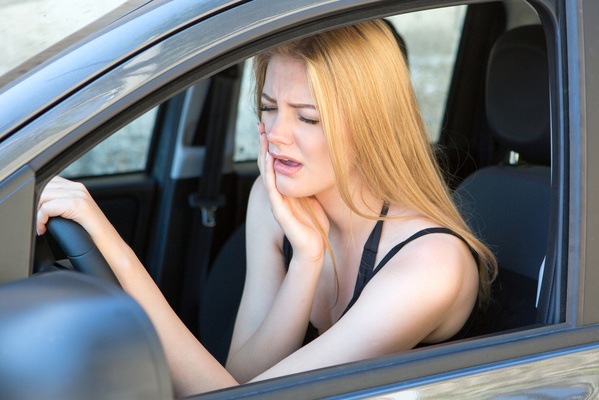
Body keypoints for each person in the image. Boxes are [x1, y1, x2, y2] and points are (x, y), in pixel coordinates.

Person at [36, 19, 497, 397]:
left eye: (308, 117)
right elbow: (242, 376)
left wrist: (108, 242)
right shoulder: (273, 198)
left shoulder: (430, 266)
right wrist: (307, 262)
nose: (276, 134)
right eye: (269, 107)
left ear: (372, 126)